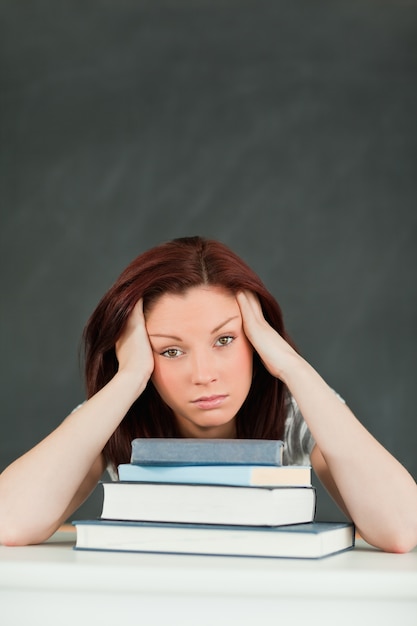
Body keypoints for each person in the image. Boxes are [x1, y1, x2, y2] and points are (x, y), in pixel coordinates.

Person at [0, 236, 416, 551]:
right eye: (171, 350)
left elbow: (402, 528)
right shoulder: (113, 418)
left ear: (257, 339)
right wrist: (128, 380)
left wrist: (290, 366)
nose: (203, 375)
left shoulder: (296, 415)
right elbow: (8, 522)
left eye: (225, 340)